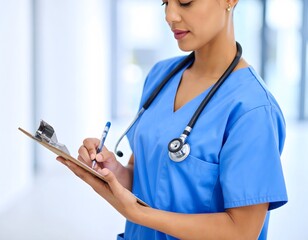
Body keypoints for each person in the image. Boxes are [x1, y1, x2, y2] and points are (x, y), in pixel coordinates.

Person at [57, 0, 288, 239]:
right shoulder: (160, 77)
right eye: (165, 2)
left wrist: (138, 213)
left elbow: (242, 231)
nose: (170, 15)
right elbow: (147, 178)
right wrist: (114, 172)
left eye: (185, 2)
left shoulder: (253, 109)